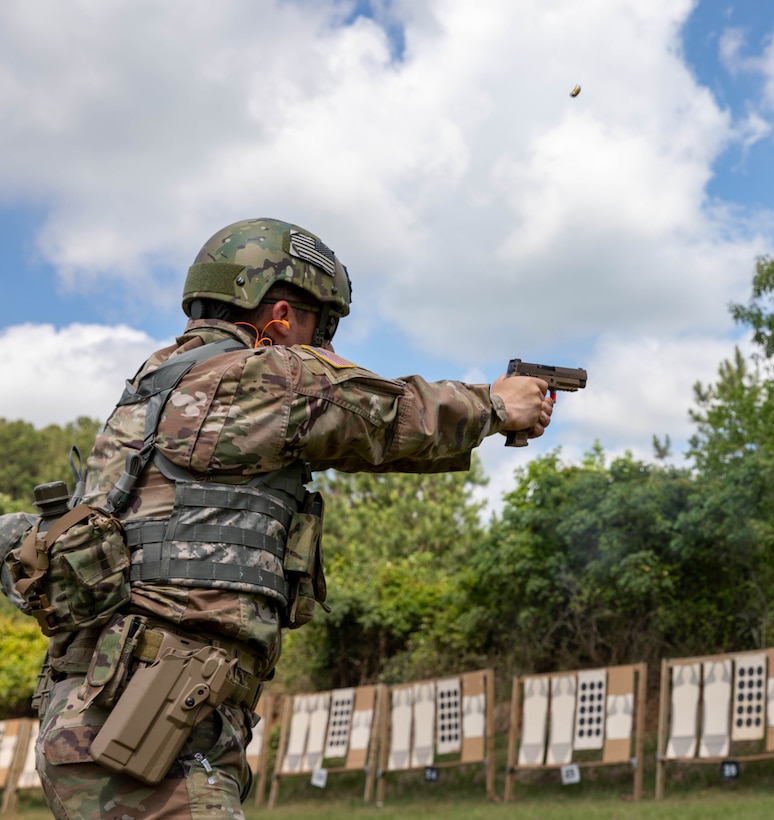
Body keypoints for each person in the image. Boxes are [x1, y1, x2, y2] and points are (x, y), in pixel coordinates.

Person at [1, 217, 554, 818]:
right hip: (149, 723)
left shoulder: (155, 389)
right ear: (281, 317)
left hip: (109, 710)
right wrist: (497, 405)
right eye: (325, 327)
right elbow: (388, 415)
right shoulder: (258, 376)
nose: (330, 351)